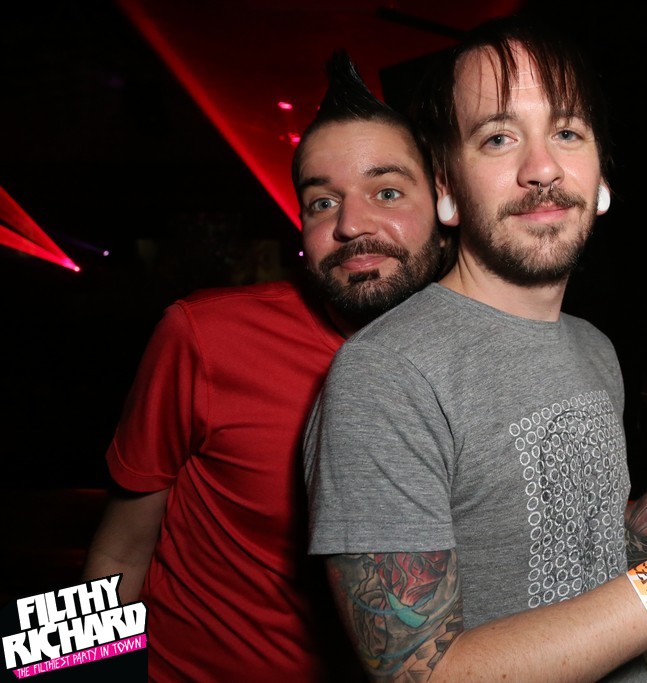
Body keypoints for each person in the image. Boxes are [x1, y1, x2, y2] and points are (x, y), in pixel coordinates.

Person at [303, 16, 647, 682]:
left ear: (601, 178)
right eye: (498, 137)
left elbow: (594, 557)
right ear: (446, 189)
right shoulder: (384, 376)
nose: (542, 168)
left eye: (566, 133)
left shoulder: (593, 348)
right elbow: (420, 673)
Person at [82, 50, 451, 682]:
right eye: (322, 202)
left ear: (445, 211)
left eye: (386, 192)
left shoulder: (479, 360)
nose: (351, 224)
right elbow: (117, 557)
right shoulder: (204, 336)